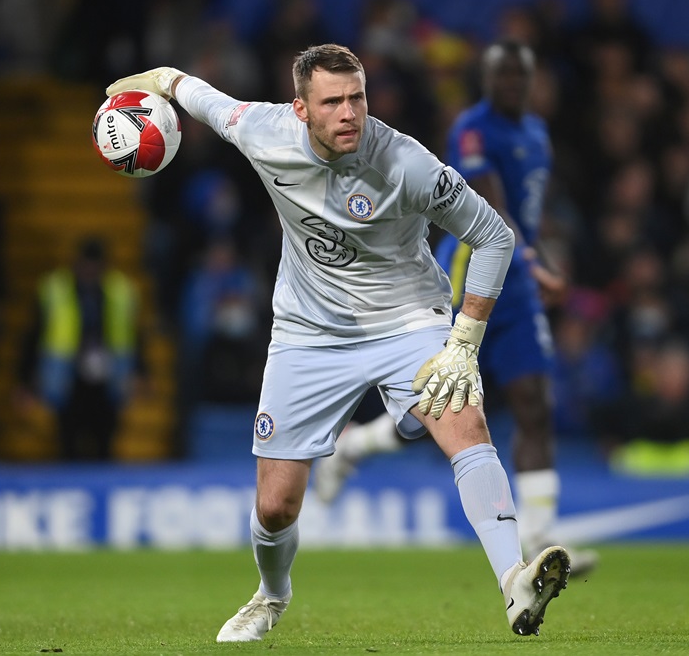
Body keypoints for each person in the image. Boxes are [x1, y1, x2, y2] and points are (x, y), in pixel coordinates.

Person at [106, 43, 571, 643]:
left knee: (466, 424)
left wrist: (463, 340)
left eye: (358, 98)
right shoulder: (262, 130)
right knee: (275, 506)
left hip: (408, 320)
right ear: (300, 109)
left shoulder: (406, 163)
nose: (350, 113)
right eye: (333, 102)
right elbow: (202, 99)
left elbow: (493, 237)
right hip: (308, 331)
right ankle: (271, 596)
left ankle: (514, 580)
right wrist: (163, 78)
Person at [314, 41, 598, 574]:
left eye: (520, 75)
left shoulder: (536, 133)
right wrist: (535, 262)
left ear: (532, 80)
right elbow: (489, 204)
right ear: (485, 80)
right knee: (431, 414)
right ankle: (353, 448)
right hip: (468, 275)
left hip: (519, 287)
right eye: (502, 75)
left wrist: (535, 259)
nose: (512, 84)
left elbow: (531, 211)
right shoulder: (473, 129)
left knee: (534, 402)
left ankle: (540, 541)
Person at [16, 236, 146, 461]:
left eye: (95, 266)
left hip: (108, 378)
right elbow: (34, 334)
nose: (90, 271)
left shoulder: (120, 290)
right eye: (86, 265)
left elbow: (134, 335)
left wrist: (142, 372)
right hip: (68, 378)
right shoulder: (55, 289)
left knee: (105, 443)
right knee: (68, 444)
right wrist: (25, 380)